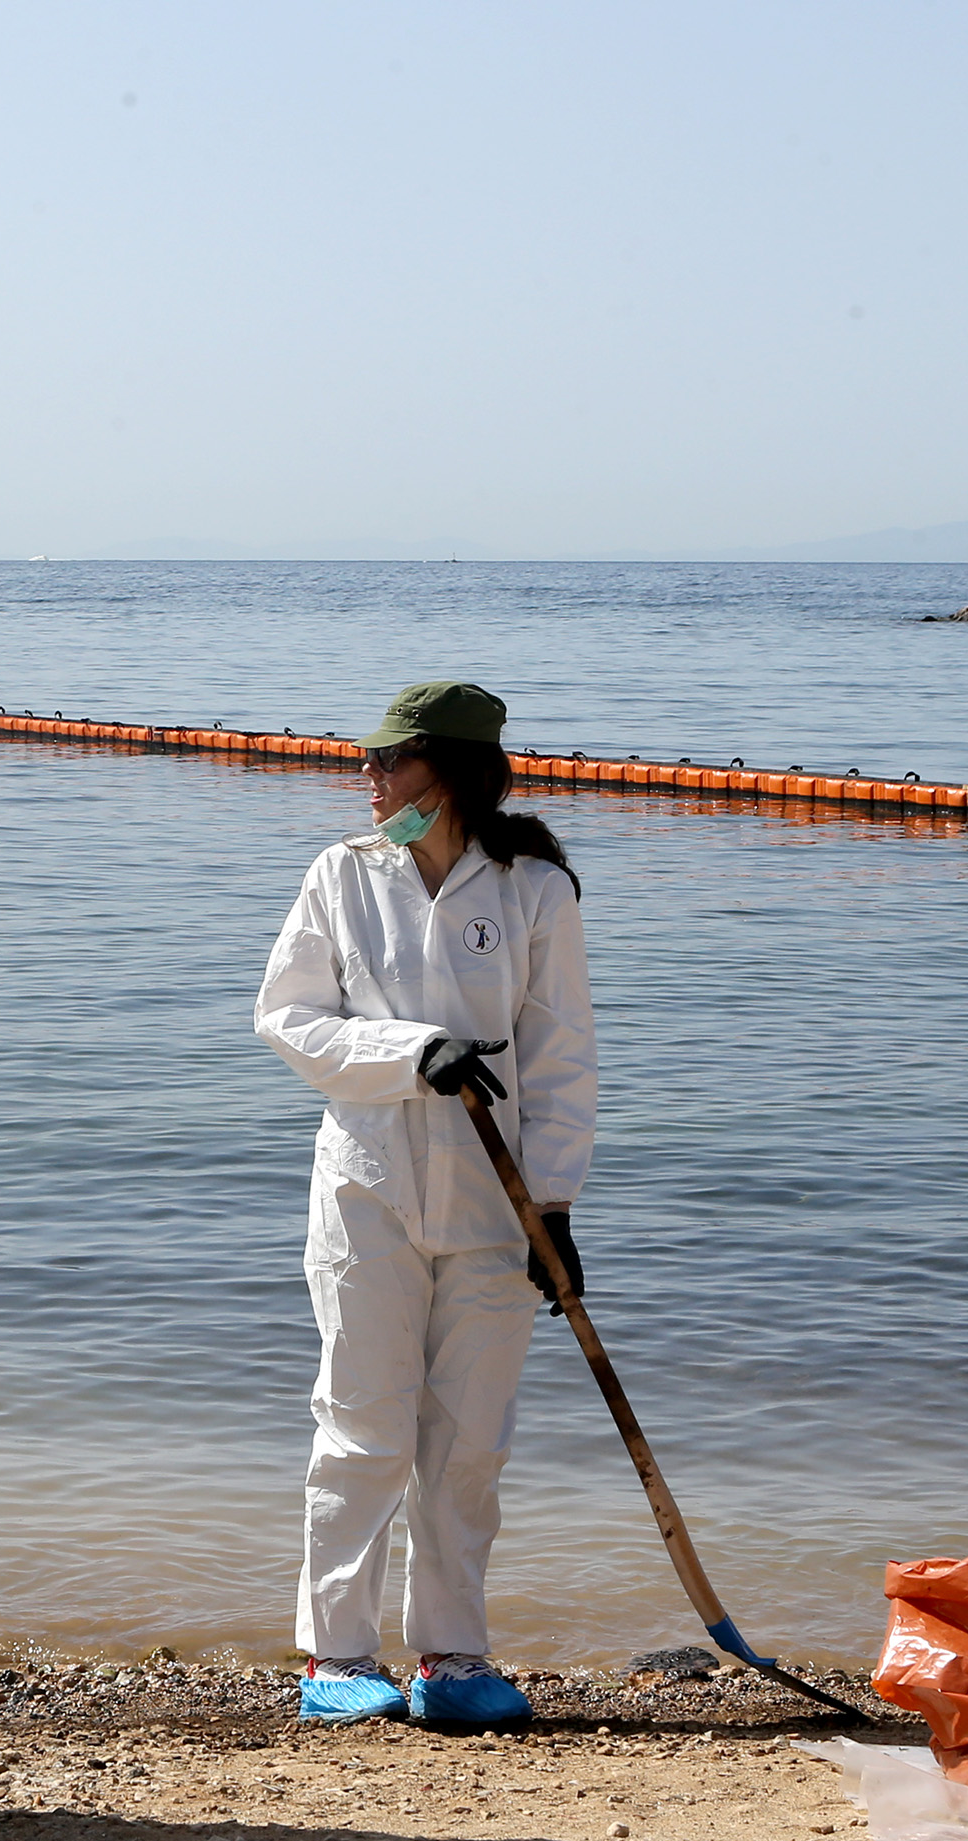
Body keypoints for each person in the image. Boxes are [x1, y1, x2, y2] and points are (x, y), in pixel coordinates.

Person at [255, 681, 597, 1728]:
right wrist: (409, 1053)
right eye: (366, 762)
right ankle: (338, 1653)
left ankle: (452, 1652)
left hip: (498, 1202)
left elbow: (562, 1059)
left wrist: (556, 1209)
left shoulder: (534, 888)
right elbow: (287, 1019)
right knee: (360, 1423)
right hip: (367, 1188)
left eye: (388, 762)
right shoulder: (340, 876)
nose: (368, 781)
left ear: (448, 770)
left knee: (470, 1434)